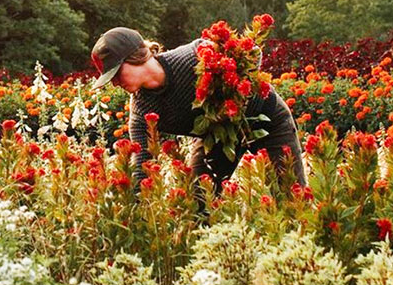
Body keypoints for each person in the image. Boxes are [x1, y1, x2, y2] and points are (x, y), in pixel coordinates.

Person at [90, 27, 306, 190]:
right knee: (198, 202)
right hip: (217, 138)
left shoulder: (193, 56)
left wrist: (231, 98)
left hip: (267, 121)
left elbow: (253, 53)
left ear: (134, 58)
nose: (115, 83)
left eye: (116, 73)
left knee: (291, 195)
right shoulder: (142, 110)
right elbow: (142, 165)